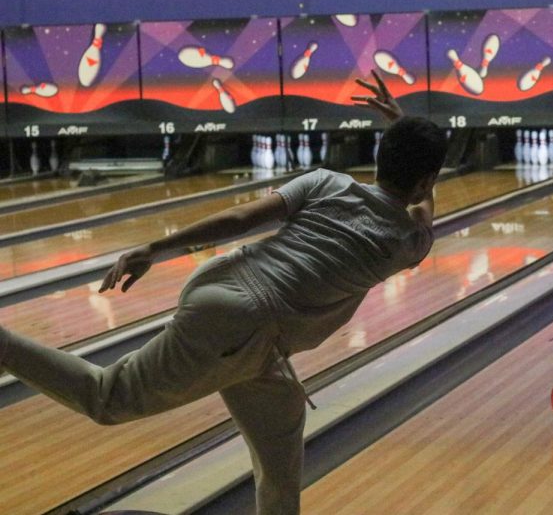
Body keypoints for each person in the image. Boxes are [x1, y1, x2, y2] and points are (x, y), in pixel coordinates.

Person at [0, 71, 447, 514]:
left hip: (230, 296)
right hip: (245, 327)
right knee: (106, 399)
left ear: (380, 154)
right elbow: (422, 207)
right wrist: (408, 136)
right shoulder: (409, 243)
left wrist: (155, 248)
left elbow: (240, 220)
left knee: (282, 439)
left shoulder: (326, 181)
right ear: (427, 179)